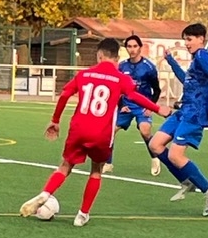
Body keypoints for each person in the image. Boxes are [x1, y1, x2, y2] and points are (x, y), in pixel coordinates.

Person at [19, 38, 172, 227]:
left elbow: (65, 94)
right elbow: (134, 96)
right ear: (117, 58)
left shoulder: (84, 74)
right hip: (101, 132)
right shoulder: (121, 78)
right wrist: (157, 109)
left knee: (65, 166)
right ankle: (82, 215)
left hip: (78, 129)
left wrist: (55, 120)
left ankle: (45, 193)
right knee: (96, 170)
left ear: (99, 55)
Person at [149, 23, 208, 217]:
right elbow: (186, 80)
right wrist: (171, 62)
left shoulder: (202, 55)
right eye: (185, 40)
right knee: (155, 144)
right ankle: (187, 181)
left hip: (195, 114)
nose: (187, 43)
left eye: (190, 39)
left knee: (175, 155)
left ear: (201, 39)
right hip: (184, 110)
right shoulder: (196, 59)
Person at [103, 35, 162, 176]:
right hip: (127, 105)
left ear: (140, 47)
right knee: (109, 132)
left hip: (143, 105)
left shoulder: (149, 67)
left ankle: (155, 158)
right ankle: (108, 163)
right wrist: (121, 104)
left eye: (135, 46)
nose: (132, 49)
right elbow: (117, 88)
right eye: (129, 46)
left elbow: (157, 90)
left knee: (145, 131)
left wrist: (150, 107)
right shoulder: (122, 66)